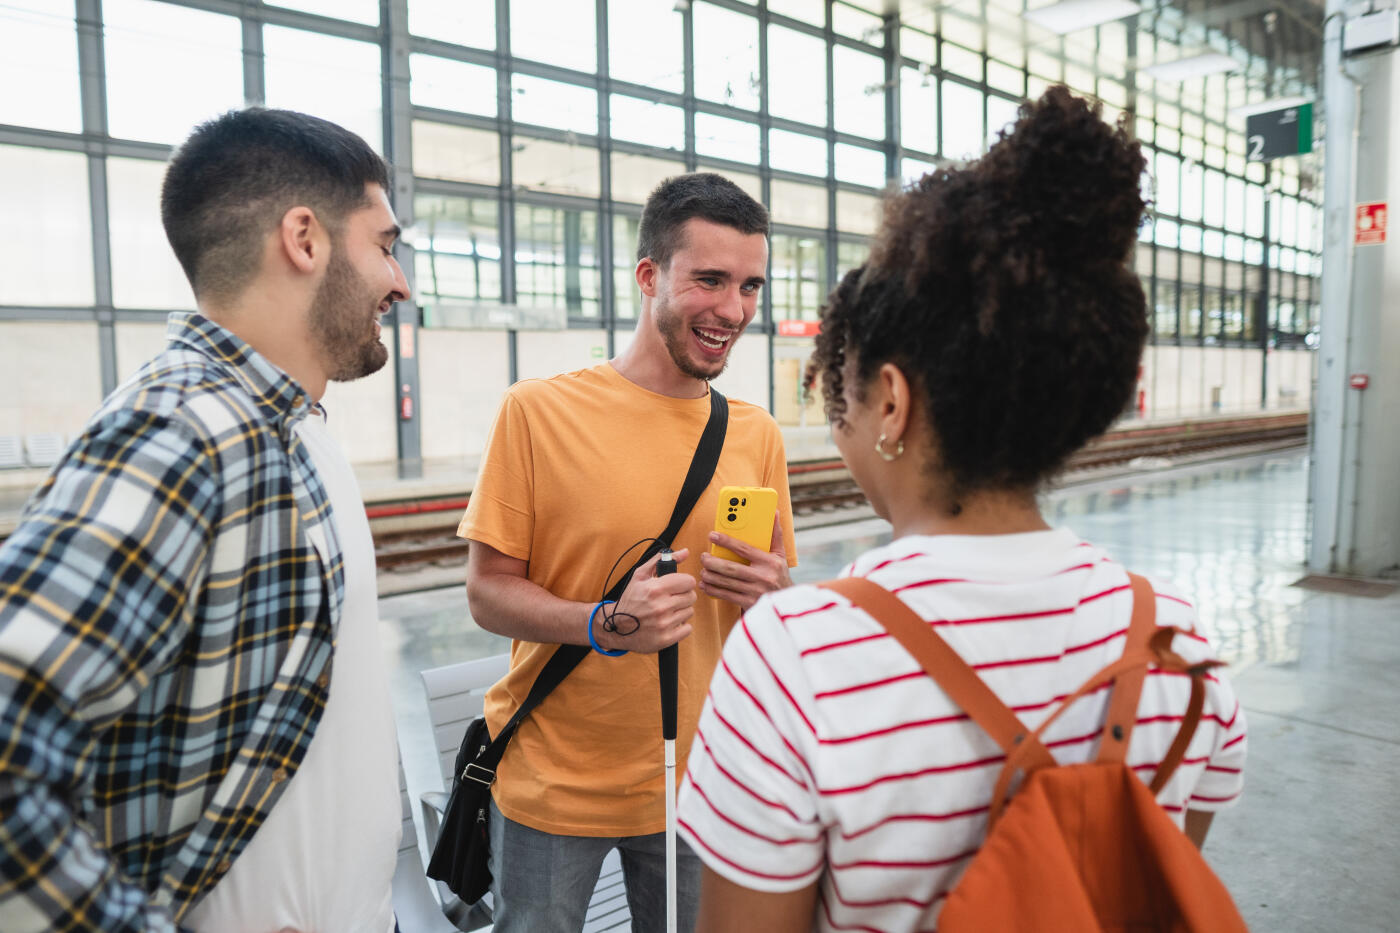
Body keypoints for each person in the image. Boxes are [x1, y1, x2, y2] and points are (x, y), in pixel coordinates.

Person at [677, 87, 1249, 932]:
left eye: (845, 388)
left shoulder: (795, 657)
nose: (840, 422)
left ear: (895, 401)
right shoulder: (1178, 643)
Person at [0, 108, 411, 932]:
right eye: (386, 244)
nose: (401, 282)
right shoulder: (184, 432)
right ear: (305, 238)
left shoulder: (292, 427)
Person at [459, 172, 799, 932]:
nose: (734, 310)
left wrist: (772, 598)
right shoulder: (538, 412)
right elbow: (486, 594)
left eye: (750, 286)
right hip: (552, 784)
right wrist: (605, 622)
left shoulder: (757, 433)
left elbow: (769, 614)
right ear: (648, 276)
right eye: (709, 279)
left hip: (701, 784)